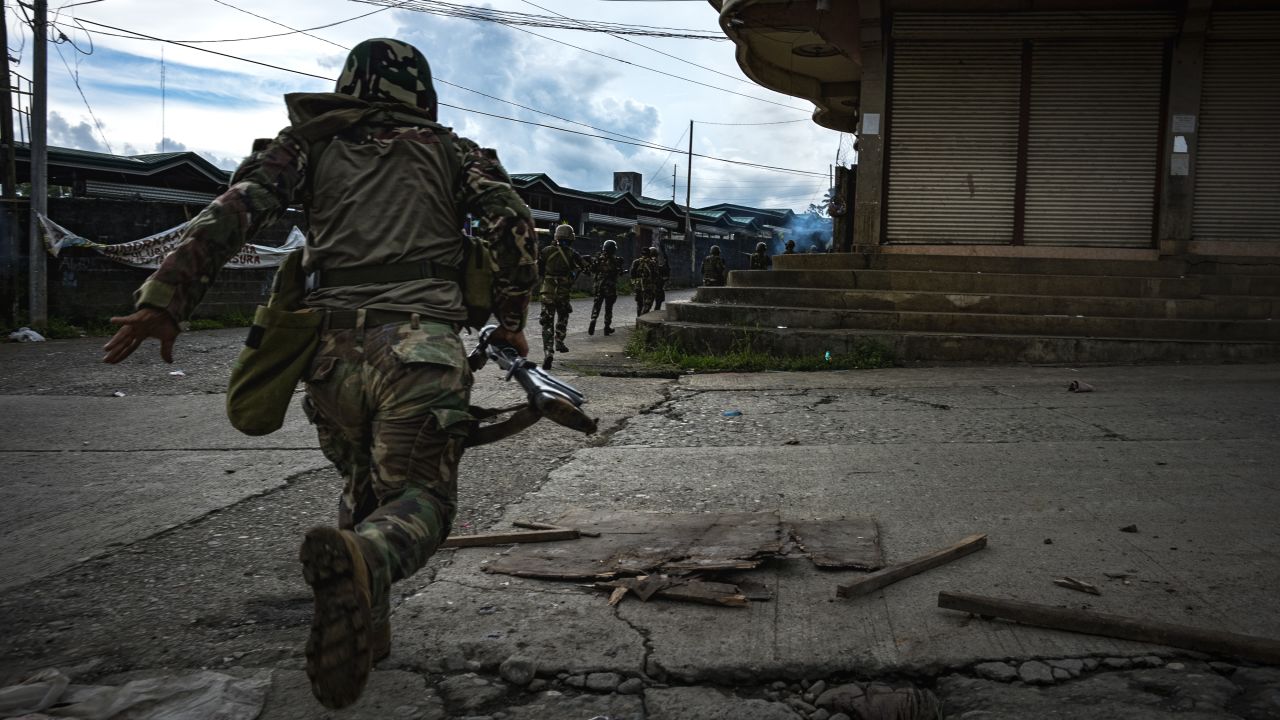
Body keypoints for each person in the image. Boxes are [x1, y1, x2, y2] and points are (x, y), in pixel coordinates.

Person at [100, 39, 538, 710]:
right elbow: (511, 221)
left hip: (330, 358)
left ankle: (372, 630)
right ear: (420, 92)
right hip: (421, 350)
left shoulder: (306, 145)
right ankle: (366, 561)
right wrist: (510, 316)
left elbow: (234, 209)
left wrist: (165, 301)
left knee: (363, 482)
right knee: (421, 502)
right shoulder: (455, 152)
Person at [538, 224, 583, 368]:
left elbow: (539, 269)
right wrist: (571, 278)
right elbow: (582, 267)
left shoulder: (545, 251)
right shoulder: (572, 253)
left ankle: (548, 353)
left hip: (547, 292)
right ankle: (559, 341)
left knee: (547, 323)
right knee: (563, 317)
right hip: (563, 293)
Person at [587, 238, 623, 336]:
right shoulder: (616, 260)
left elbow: (592, 270)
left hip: (598, 286)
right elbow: (618, 272)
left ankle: (593, 318)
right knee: (608, 307)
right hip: (610, 287)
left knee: (597, 305)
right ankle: (606, 328)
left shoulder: (598, 259)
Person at [629, 246, 655, 315]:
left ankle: (638, 320)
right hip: (648, 287)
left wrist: (635, 285)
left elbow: (632, 274)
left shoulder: (636, 262)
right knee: (647, 304)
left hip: (638, 286)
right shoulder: (652, 263)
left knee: (639, 305)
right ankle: (643, 318)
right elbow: (656, 275)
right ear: (649, 254)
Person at [651, 245, 670, 311]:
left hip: (654, 286)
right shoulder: (651, 263)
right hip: (651, 286)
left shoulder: (653, 263)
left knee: (657, 303)